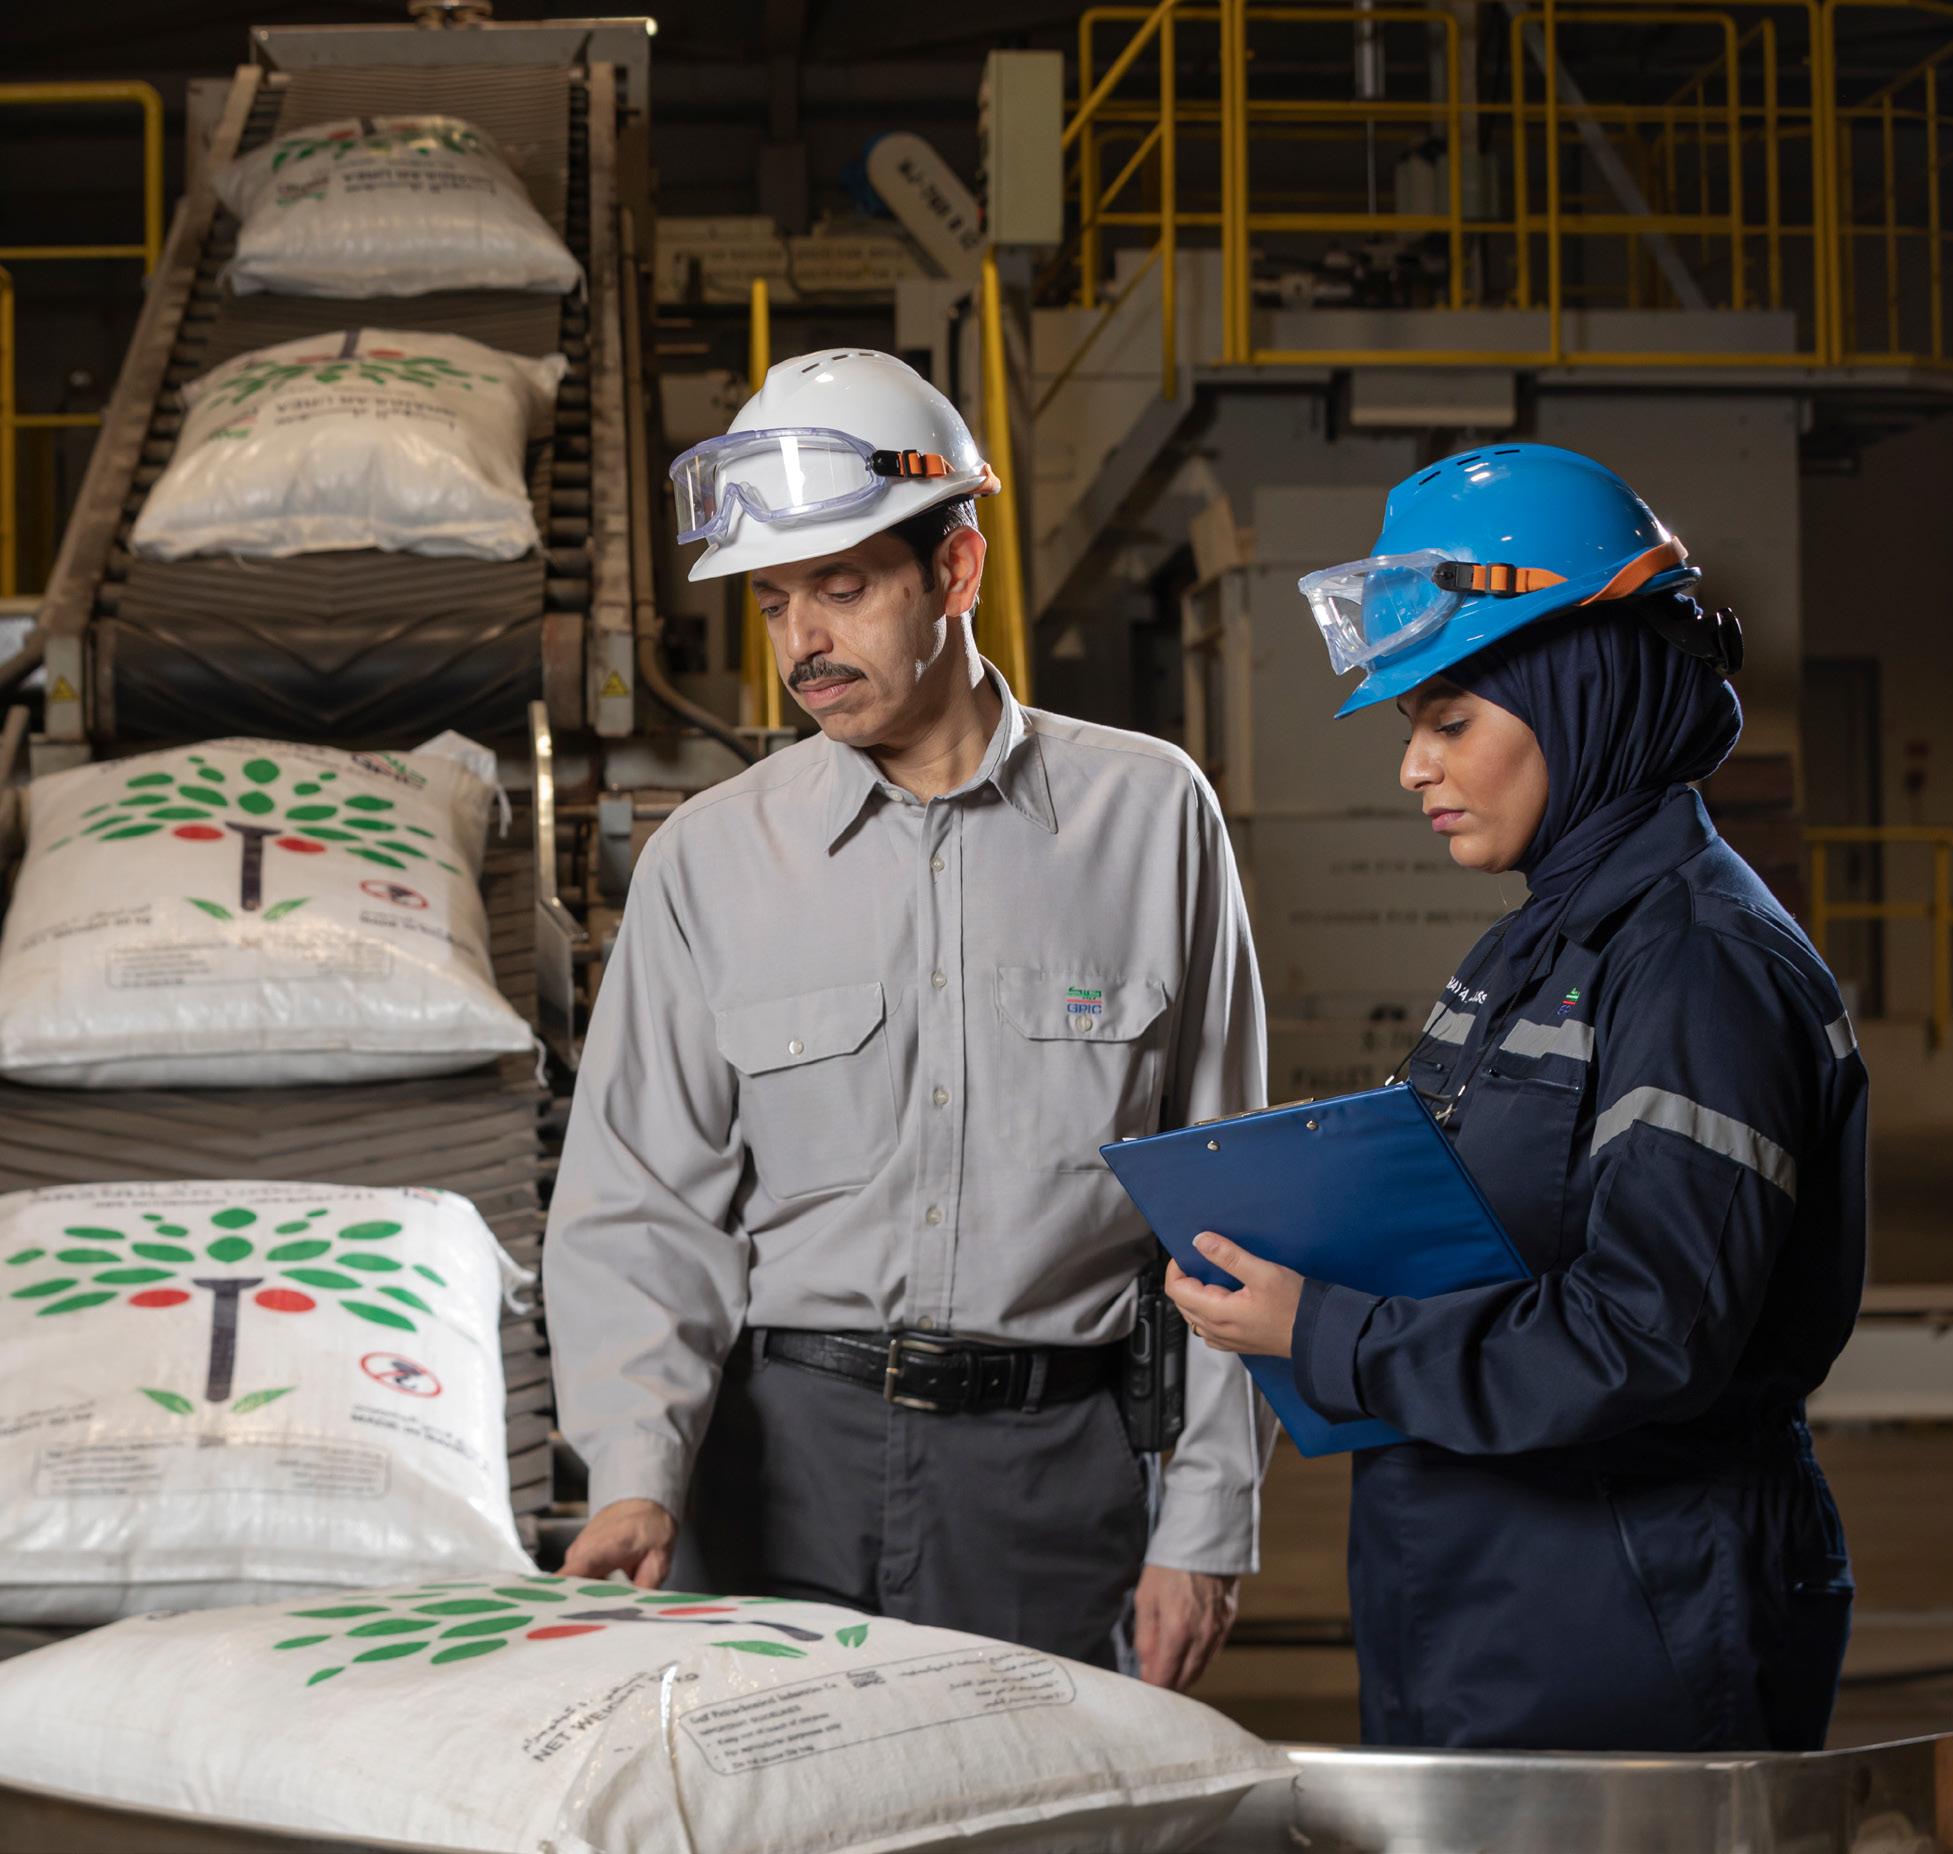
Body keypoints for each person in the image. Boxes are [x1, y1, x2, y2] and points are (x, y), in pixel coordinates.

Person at [545, 349, 1273, 1687]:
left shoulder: (1152, 819)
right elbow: (641, 1206)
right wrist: (637, 1472)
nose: (801, 644)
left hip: (1053, 1477)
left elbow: (1231, 1202)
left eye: (842, 587)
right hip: (775, 1470)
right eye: (773, 601)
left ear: (957, 571)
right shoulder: (709, 863)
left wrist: (1210, 1515)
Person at [1164, 443, 1866, 1751]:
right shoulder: (1541, 945)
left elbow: (1648, 1333)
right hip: (1482, 1585)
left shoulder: (1699, 964)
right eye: (1409, 730)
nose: (1413, 769)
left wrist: (1327, 1330)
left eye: (1449, 723)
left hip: (1633, 1601)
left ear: (1578, 689)